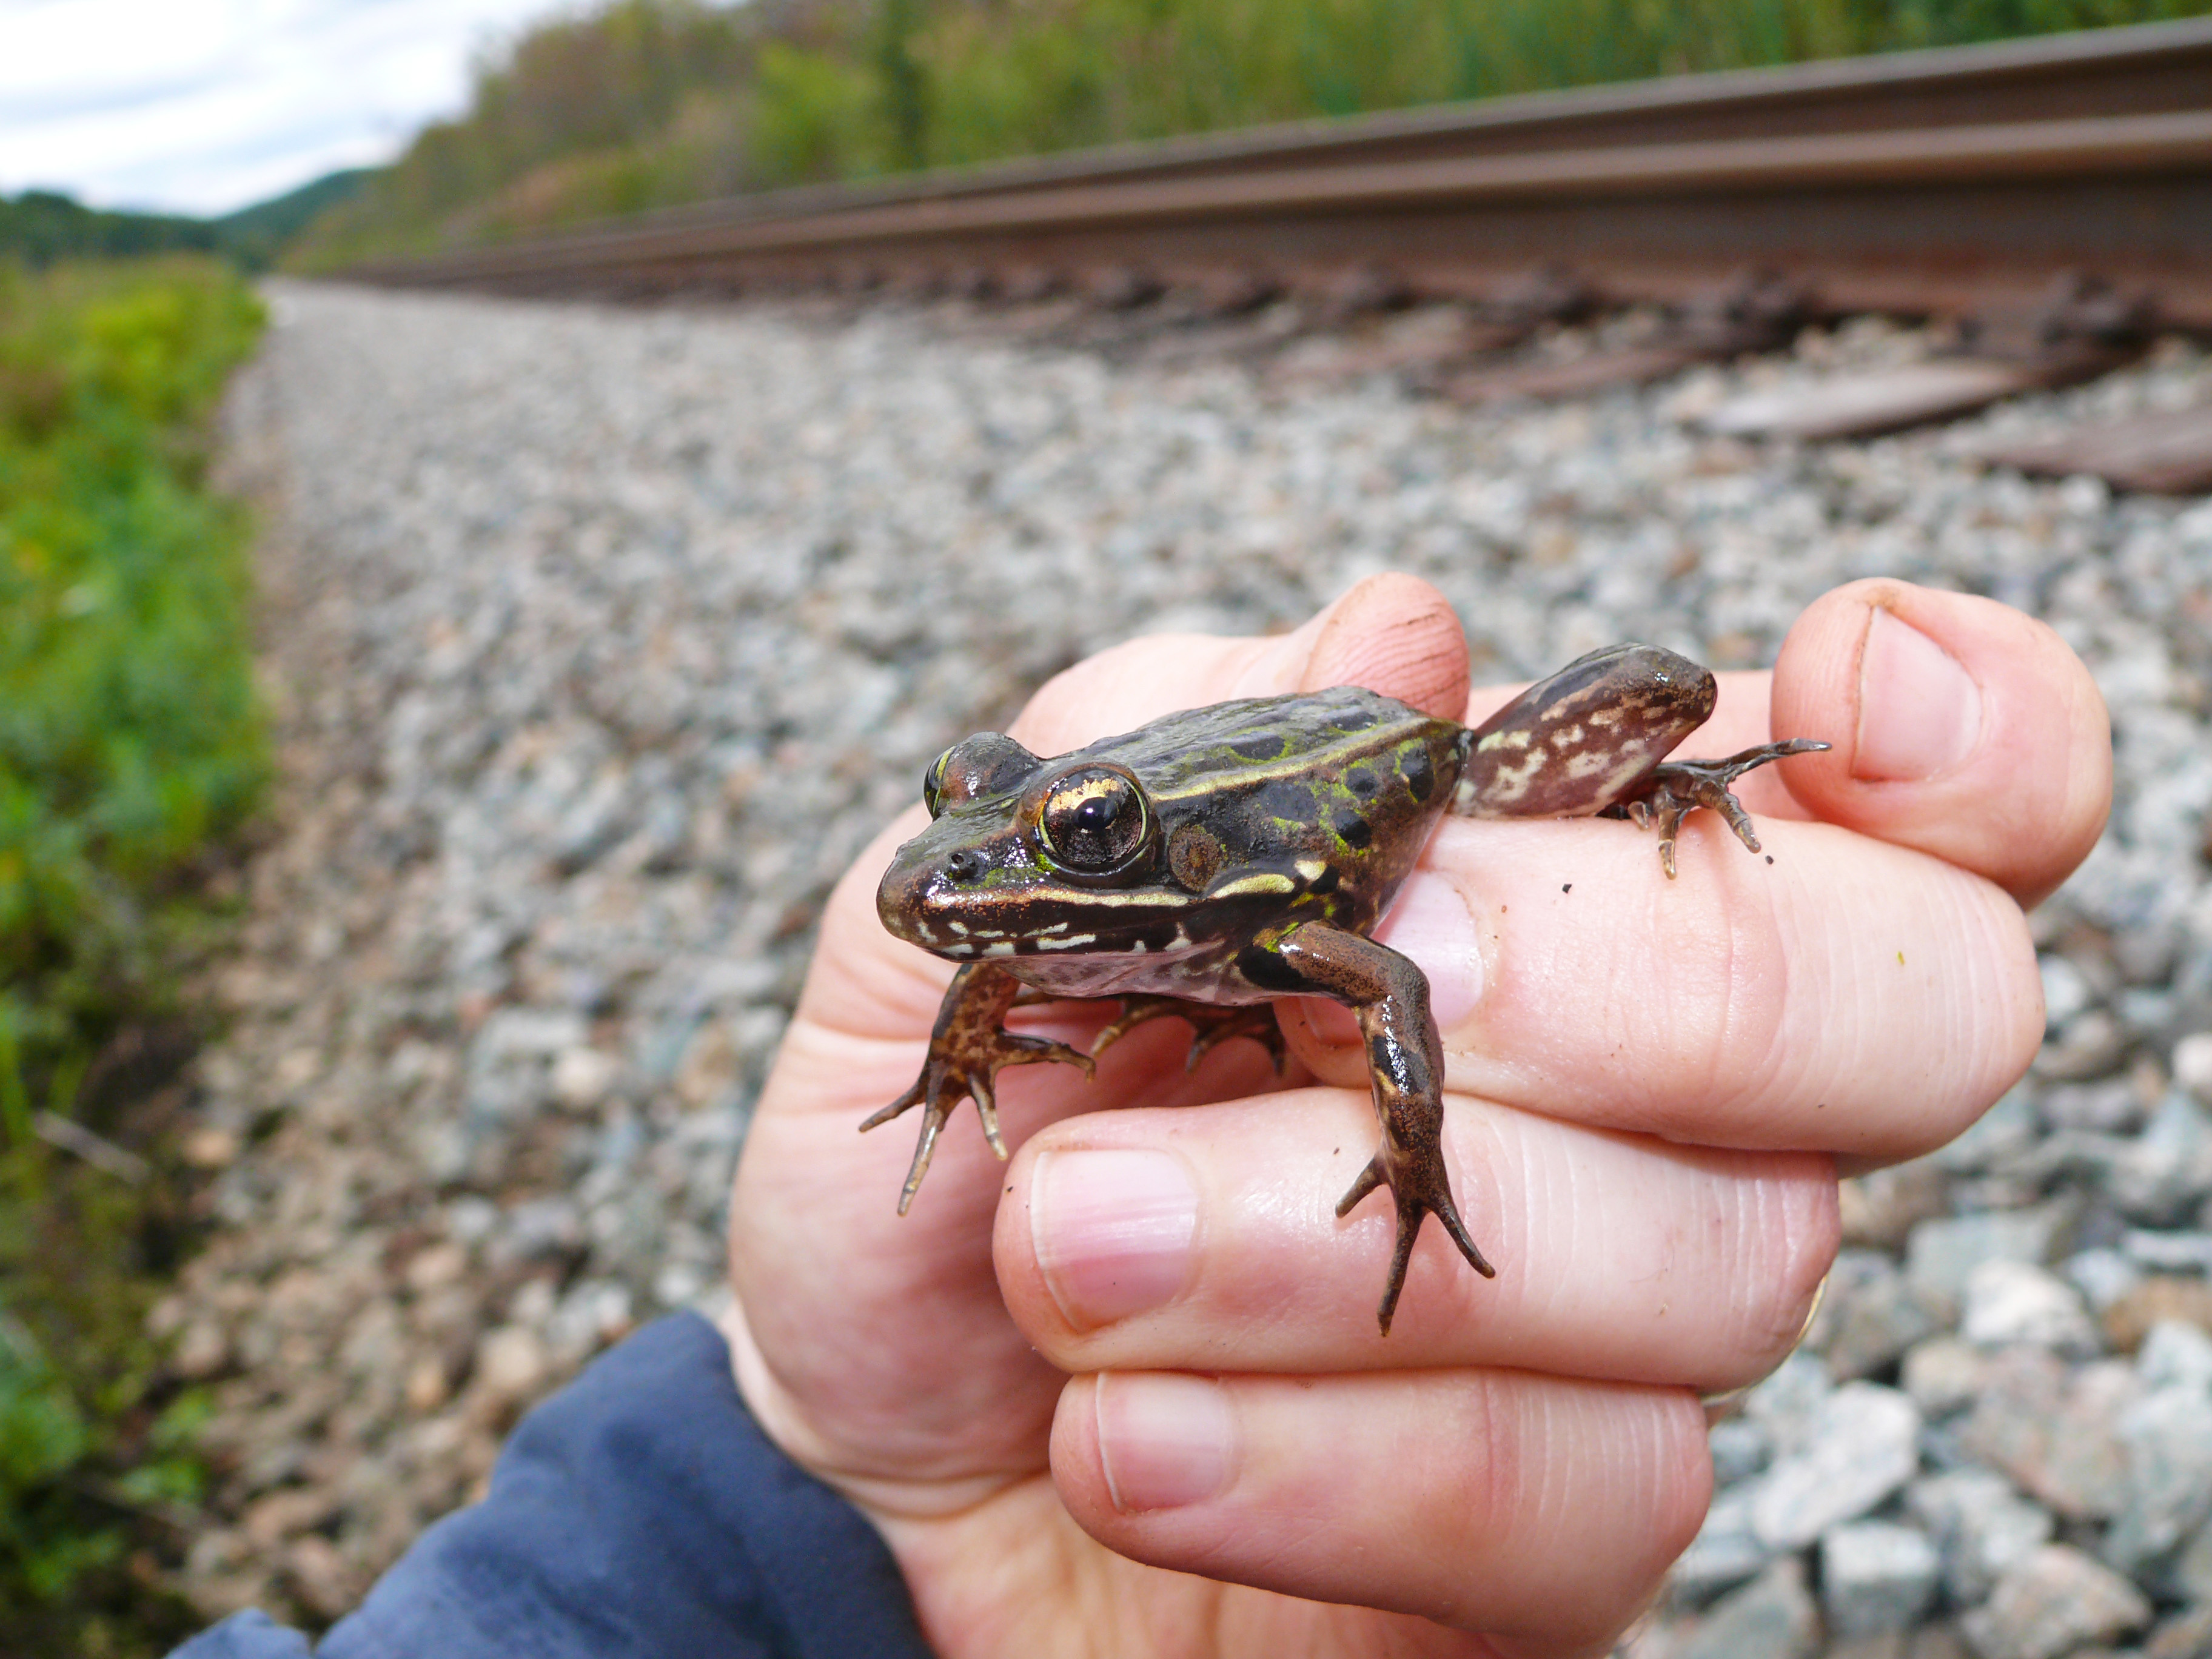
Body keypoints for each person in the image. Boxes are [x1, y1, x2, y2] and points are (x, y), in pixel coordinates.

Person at [176, 573, 2110, 1658]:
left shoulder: (1291, 915)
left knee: (1653, 701)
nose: (957, 891)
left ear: (1135, 845)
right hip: (923, 1503)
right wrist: (943, 1100)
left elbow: (1406, 980)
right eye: (988, 805)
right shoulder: (1031, 954)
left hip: (1416, 788)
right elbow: (997, 950)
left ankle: (1677, 790)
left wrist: (1413, 1163)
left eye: (1073, 837)